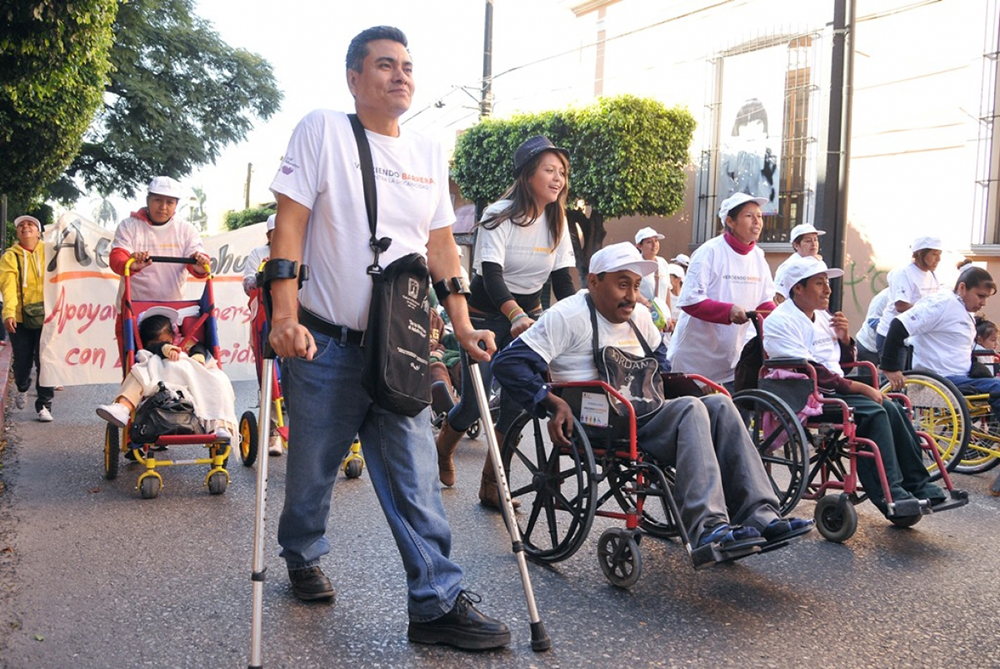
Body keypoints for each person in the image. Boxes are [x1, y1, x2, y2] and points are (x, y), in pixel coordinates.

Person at [265, 26, 509, 651]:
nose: (400, 75)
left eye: (407, 66)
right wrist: (284, 316)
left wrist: (460, 324)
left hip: (398, 347)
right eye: (384, 65)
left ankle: (435, 603)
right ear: (354, 78)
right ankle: (302, 552)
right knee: (313, 472)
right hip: (323, 344)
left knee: (416, 474)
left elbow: (441, 246)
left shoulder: (429, 151)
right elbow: (288, 227)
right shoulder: (321, 129)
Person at [492, 242, 813, 563]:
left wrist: (680, 387)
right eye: (622, 285)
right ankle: (707, 528)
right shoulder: (567, 315)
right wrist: (550, 403)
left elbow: (659, 363)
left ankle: (759, 513)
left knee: (720, 405)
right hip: (596, 416)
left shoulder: (641, 316)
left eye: (635, 285)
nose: (632, 295)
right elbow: (508, 364)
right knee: (691, 409)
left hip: (642, 409)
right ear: (593, 282)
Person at [435, 134, 576, 510]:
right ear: (528, 174)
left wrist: (581, 314)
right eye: (549, 169)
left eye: (561, 171)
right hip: (485, 317)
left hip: (526, 319)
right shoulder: (499, 214)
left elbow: (564, 281)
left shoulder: (559, 222)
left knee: (517, 404)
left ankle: (491, 484)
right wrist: (513, 315)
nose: (557, 178)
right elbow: (492, 276)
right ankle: (443, 445)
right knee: (475, 404)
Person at [767, 256, 949, 517]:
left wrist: (844, 340)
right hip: (805, 395)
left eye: (826, 283)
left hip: (830, 390)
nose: (828, 289)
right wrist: (860, 388)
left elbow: (842, 364)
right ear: (798, 287)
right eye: (820, 284)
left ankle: (919, 485)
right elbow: (809, 370)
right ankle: (892, 494)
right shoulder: (780, 321)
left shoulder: (822, 317)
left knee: (893, 408)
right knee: (875, 412)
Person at [668, 192, 777, 387]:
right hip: (694, 362)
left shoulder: (759, 256)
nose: (757, 222)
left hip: (731, 364)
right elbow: (690, 300)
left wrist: (784, 319)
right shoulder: (709, 252)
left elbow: (765, 302)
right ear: (730, 222)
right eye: (749, 216)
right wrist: (729, 311)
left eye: (759, 216)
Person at [95, 309, 236, 442]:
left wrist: (197, 356)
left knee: (218, 379)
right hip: (161, 378)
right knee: (140, 372)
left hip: (188, 379)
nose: (165, 344)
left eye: (167, 341)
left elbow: (198, 347)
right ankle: (123, 407)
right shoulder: (152, 350)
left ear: (174, 336)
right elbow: (150, 350)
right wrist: (164, 348)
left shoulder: (183, 340)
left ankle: (220, 425)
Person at [110, 176, 211, 355]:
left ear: (176, 205)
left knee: (175, 364)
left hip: (173, 313)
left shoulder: (186, 230)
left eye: (169, 202)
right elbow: (117, 258)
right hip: (134, 311)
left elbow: (199, 265)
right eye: (157, 200)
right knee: (134, 367)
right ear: (148, 200)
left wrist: (201, 264)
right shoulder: (129, 226)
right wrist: (131, 264)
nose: (163, 206)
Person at [882, 266, 1000, 418]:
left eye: (986, 298)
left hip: (960, 377)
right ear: (962, 288)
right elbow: (899, 325)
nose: (983, 303)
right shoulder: (941, 304)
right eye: (980, 296)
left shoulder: (963, 310)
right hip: (942, 380)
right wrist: (890, 366)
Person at [1, 215, 53, 421]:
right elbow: (8, 287)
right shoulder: (10, 257)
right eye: (21, 225)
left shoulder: (50, 252)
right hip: (21, 319)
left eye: (30, 224)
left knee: (46, 362)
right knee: (22, 363)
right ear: (17, 233)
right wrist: (9, 313)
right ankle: (22, 386)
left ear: (39, 231)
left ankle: (44, 405)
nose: (25, 227)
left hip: (48, 317)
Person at [242, 213, 284, 457]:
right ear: (268, 235)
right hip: (265, 319)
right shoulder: (259, 253)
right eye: (275, 232)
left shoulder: (300, 248)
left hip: (294, 318)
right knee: (268, 374)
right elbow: (247, 284)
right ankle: (273, 432)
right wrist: (259, 277)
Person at [875, 235, 942, 357]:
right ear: (920, 253)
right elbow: (901, 305)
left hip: (916, 337)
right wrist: (930, 312)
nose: (938, 259)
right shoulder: (903, 273)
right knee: (897, 375)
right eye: (934, 254)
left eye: (939, 254)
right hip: (893, 336)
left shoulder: (932, 275)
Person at [855, 287, 890, 365]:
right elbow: (871, 321)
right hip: (869, 346)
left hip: (889, 347)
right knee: (868, 376)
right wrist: (894, 326)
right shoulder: (884, 297)